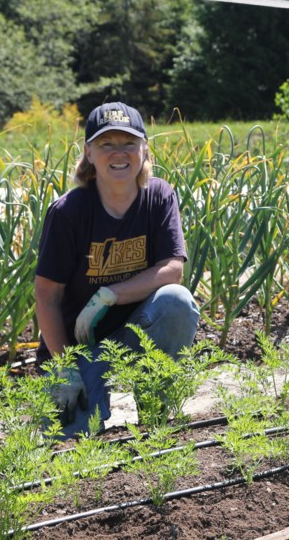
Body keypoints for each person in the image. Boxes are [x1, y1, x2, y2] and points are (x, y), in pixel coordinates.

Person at [34, 102, 200, 437]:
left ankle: (155, 408)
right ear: (89, 154)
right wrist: (64, 368)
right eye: (106, 144)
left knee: (176, 301)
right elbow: (46, 296)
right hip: (78, 345)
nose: (119, 153)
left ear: (144, 149)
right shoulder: (69, 212)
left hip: (137, 330)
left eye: (128, 143)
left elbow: (172, 269)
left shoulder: (159, 196)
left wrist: (109, 295)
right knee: (68, 438)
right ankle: (78, 386)